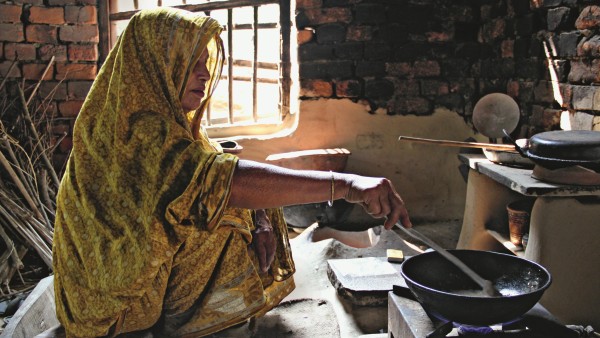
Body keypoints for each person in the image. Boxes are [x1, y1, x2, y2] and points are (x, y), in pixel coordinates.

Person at [52, 7, 412, 338]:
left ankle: (202, 322)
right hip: (108, 310)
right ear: (155, 65)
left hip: (139, 289)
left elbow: (218, 175)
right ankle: (197, 327)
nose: (204, 73)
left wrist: (261, 221)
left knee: (236, 215)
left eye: (204, 61)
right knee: (220, 223)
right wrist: (348, 186)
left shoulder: (173, 124)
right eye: (188, 62)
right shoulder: (138, 131)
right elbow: (224, 181)